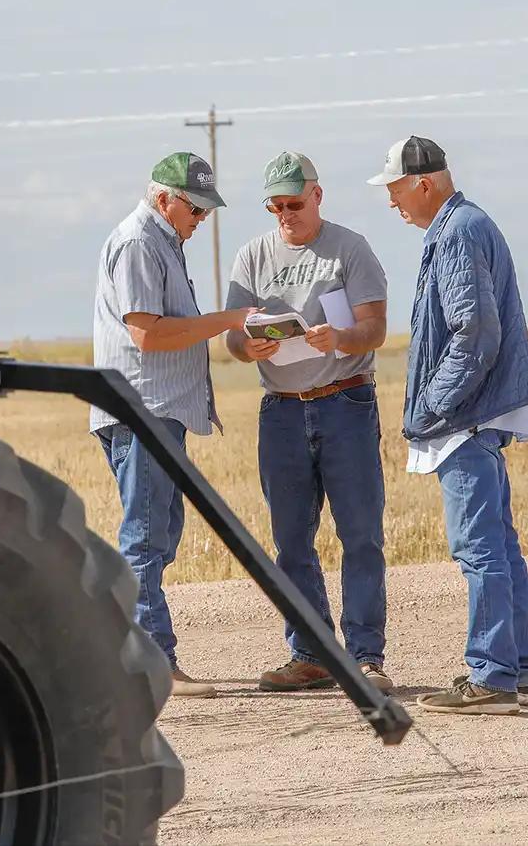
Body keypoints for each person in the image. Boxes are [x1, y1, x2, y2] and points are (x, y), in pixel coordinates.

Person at [368, 136, 528, 715]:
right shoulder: (464, 225)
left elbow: (473, 333)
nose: (392, 203)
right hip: (480, 412)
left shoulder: (458, 232)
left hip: (465, 417)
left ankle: (491, 677)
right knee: (499, 543)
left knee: (478, 547)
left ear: (423, 183)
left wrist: (431, 406)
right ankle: (515, 670)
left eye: (394, 190)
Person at [224, 151, 393, 692]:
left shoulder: (350, 249)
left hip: (345, 403)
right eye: (274, 206)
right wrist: (246, 347)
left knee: (360, 534)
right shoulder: (253, 255)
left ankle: (366, 658)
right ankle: (311, 652)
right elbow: (233, 334)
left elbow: (375, 328)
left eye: (293, 204)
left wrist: (339, 339)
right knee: (291, 538)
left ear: (318, 195)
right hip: (281, 410)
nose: (285, 216)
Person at [92, 152, 255, 698]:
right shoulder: (141, 242)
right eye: (194, 208)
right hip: (144, 409)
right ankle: (151, 661)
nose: (200, 219)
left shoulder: (163, 240)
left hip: (159, 410)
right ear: (163, 198)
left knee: (159, 534)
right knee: (145, 535)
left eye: (206, 211)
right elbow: (149, 334)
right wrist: (229, 321)